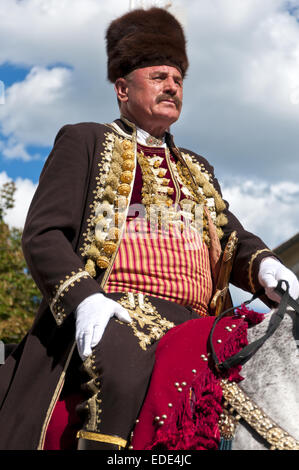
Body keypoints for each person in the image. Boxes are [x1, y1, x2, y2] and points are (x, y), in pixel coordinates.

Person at [0, 7, 298, 451]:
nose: (172, 86)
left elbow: (228, 236)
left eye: (178, 80)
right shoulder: (85, 140)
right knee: (120, 368)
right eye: (159, 76)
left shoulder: (198, 168)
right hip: (115, 311)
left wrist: (266, 265)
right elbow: (43, 234)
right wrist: (86, 301)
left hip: (199, 322)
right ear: (123, 89)